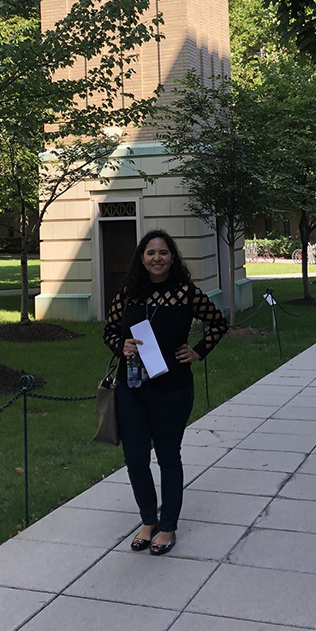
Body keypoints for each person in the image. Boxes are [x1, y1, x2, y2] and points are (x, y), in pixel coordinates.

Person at [103, 229, 229, 555]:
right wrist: (122, 344)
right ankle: (148, 521)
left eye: (163, 252)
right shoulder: (129, 293)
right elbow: (109, 331)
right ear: (141, 258)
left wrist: (198, 351)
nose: (156, 258)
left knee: (168, 457)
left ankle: (168, 526)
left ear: (172, 258)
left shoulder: (185, 293)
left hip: (172, 389)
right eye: (150, 253)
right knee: (135, 459)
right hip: (131, 388)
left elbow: (218, 322)